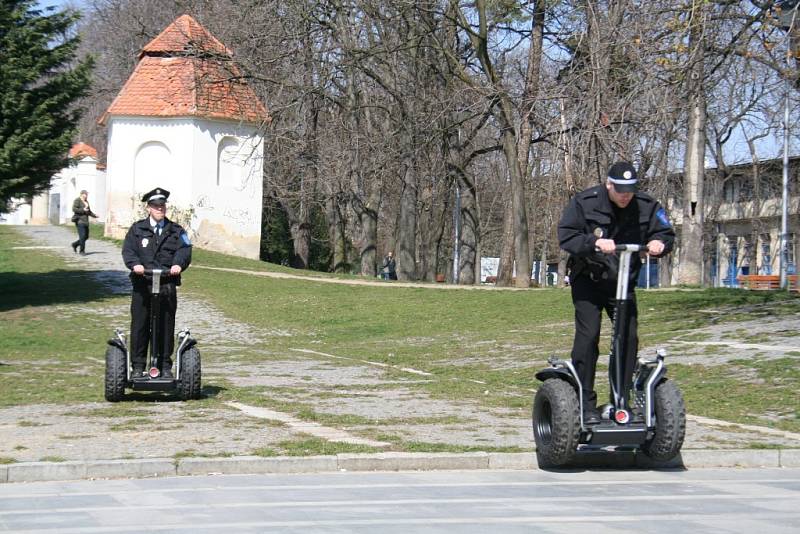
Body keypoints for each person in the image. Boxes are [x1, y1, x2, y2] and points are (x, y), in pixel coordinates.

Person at [557, 161, 675, 424]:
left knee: (627, 337)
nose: (625, 195)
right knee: (588, 337)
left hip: (622, 282)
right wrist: (594, 242)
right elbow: (567, 236)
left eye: (629, 190)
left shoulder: (646, 205)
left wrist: (659, 243)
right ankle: (585, 403)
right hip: (588, 279)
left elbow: (665, 233)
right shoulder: (585, 202)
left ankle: (620, 401)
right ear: (608, 185)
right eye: (620, 189)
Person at [122, 188, 192, 379]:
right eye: (156, 206)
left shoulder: (176, 231)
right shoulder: (137, 230)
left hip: (166, 283)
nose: (160, 209)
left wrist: (178, 264)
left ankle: (164, 365)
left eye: (162, 205)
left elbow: (185, 250)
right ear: (149, 208)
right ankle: (137, 366)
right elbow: (128, 251)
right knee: (140, 324)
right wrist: (135, 264)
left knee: (165, 324)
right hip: (142, 283)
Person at [70, 190, 98, 255]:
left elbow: (88, 211)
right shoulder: (77, 200)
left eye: (87, 194)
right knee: (82, 236)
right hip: (79, 221)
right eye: (85, 194)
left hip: (85, 221)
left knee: (86, 237)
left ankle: (75, 244)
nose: (86, 196)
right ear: (82, 194)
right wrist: (83, 210)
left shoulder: (86, 202)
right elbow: (74, 209)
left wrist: (94, 215)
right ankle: (82, 251)